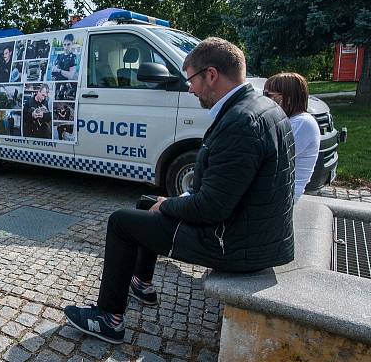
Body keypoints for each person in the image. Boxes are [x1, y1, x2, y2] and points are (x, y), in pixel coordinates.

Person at [64, 37, 295, 344]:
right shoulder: (260, 106)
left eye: (191, 79)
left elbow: (212, 208)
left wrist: (169, 206)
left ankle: (109, 319)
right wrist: (167, 203)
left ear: (211, 75)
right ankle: (142, 283)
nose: (190, 88)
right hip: (252, 232)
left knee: (121, 222)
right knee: (147, 203)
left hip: (235, 244)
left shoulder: (240, 122)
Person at [264, 72, 320, 202]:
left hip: (285, 194)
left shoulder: (302, 123)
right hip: (278, 188)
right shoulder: (290, 120)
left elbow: (272, 156)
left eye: (268, 95)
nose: (264, 100)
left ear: (288, 98)